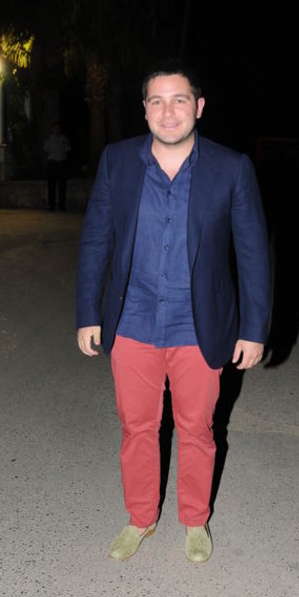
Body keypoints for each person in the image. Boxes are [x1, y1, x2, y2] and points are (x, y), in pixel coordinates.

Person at [75, 60, 271, 564]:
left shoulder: (231, 168)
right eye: (157, 101)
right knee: (137, 427)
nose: (168, 111)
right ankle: (140, 517)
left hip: (198, 325)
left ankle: (195, 520)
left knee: (197, 429)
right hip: (132, 321)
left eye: (179, 100)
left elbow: (252, 253)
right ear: (144, 110)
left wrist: (254, 329)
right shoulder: (118, 162)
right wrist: (87, 312)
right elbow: (96, 240)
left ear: (198, 107)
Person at [43, 121, 71, 210]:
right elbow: (46, 149)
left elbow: (68, 149)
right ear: (52, 129)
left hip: (62, 162)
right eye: (55, 128)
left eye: (58, 128)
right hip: (53, 162)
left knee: (62, 185)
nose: (56, 130)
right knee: (51, 185)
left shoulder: (64, 139)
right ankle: (51, 205)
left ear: (60, 130)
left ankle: (61, 205)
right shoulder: (49, 139)